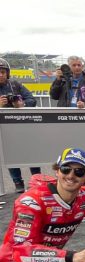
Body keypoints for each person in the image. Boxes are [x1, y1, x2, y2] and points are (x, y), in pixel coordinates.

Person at [0, 58, 41, 193]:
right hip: (4, 129)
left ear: (7, 73)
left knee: (31, 152)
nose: (1, 75)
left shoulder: (15, 84)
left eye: (3, 72)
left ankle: (36, 179)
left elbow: (32, 99)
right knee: (11, 155)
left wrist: (22, 104)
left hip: (21, 125)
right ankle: (17, 182)